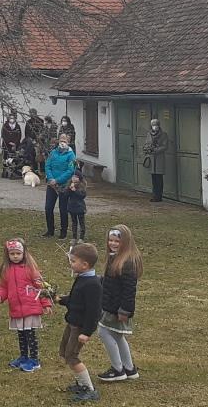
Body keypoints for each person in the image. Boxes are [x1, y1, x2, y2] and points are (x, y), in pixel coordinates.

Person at [57, 242, 104, 403]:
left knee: (72, 356)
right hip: (72, 323)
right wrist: (61, 300)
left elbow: (93, 311)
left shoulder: (92, 284)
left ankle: (89, 389)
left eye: (73, 261)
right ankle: (81, 383)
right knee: (65, 352)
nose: (70, 263)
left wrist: (87, 332)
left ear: (85, 265)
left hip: (80, 327)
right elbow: (76, 300)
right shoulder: (82, 278)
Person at [0, 238, 52, 372]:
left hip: (30, 307)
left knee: (30, 334)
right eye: (12, 254)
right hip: (16, 308)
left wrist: (46, 303)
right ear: (8, 255)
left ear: (24, 253)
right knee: (21, 335)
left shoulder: (30, 269)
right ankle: (23, 356)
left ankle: (34, 360)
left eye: (18, 253)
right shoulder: (6, 270)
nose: (15, 256)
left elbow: (41, 287)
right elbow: (4, 287)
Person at [97, 225, 142, 383]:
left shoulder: (127, 262)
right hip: (111, 304)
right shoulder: (114, 257)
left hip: (117, 308)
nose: (113, 243)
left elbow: (129, 290)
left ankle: (117, 369)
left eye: (117, 241)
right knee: (117, 335)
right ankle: (129, 368)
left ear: (126, 242)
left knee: (103, 332)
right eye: (110, 240)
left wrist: (125, 310)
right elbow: (111, 281)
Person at [43, 134, 76, 238]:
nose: (62, 143)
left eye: (65, 141)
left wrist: (57, 180)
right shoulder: (53, 153)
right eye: (61, 140)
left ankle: (63, 231)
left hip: (63, 185)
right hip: (51, 185)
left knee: (63, 209)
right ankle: (50, 230)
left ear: (68, 142)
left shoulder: (71, 155)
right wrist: (51, 178)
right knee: (48, 208)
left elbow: (70, 170)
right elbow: (47, 166)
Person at [144, 118, 169, 202]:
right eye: (153, 125)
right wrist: (147, 148)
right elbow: (146, 144)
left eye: (156, 125)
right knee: (153, 178)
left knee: (159, 178)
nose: (155, 127)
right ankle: (154, 195)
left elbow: (165, 146)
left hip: (159, 159)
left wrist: (155, 150)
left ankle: (159, 196)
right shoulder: (149, 134)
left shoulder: (164, 134)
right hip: (151, 159)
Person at [67, 173, 88, 243]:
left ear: (79, 178)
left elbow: (82, 196)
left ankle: (81, 237)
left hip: (80, 207)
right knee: (74, 222)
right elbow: (66, 194)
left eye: (76, 177)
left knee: (81, 222)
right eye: (73, 176)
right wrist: (69, 189)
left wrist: (75, 190)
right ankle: (74, 237)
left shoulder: (82, 186)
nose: (74, 178)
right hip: (72, 207)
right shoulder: (70, 185)